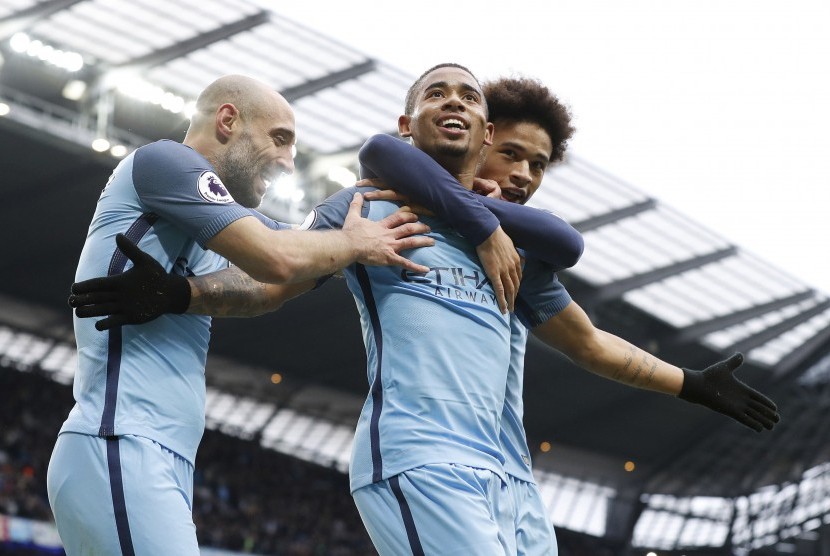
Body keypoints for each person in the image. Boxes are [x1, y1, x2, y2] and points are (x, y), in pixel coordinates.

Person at [69, 68, 780, 554]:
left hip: (513, 479)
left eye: (469, 96)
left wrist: (690, 383)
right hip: (423, 460)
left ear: (482, 128)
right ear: (410, 124)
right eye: (438, 92)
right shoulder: (366, 206)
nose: (456, 102)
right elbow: (273, 281)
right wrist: (185, 293)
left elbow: (590, 343)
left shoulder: (513, 248)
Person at [47, 74, 440, 556]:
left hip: (152, 452)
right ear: (228, 120)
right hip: (120, 437)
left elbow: (270, 282)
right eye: (280, 139)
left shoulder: (213, 219)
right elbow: (278, 258)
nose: (289, 161)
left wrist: (417, 187)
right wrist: (355, 242)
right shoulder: (164, 162)